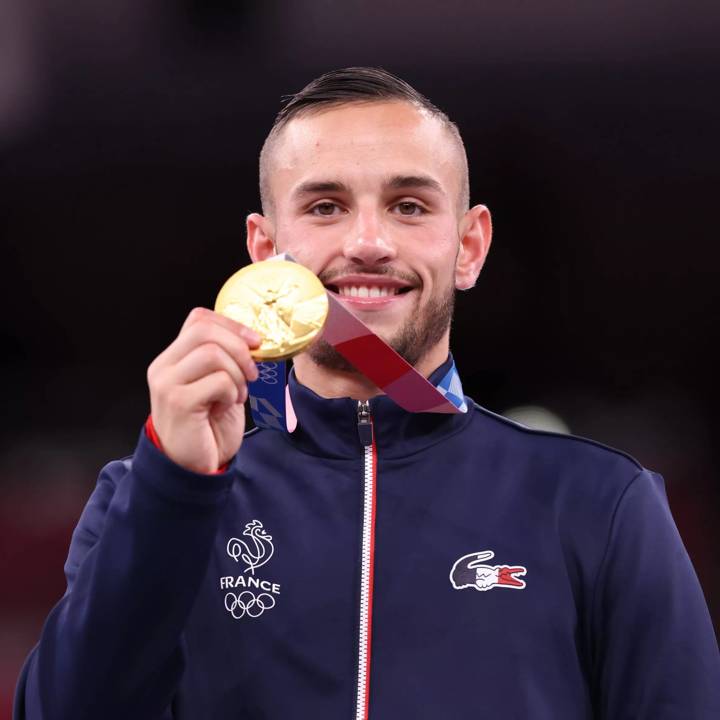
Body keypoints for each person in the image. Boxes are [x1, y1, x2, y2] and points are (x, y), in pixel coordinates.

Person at [14, 67, 720, 720]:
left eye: (409, 205)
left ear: (468, 247)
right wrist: (175, 483)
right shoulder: (151, 498)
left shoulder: (601, 507)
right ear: (266, 254)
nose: (369, 242)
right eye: (325, 206)